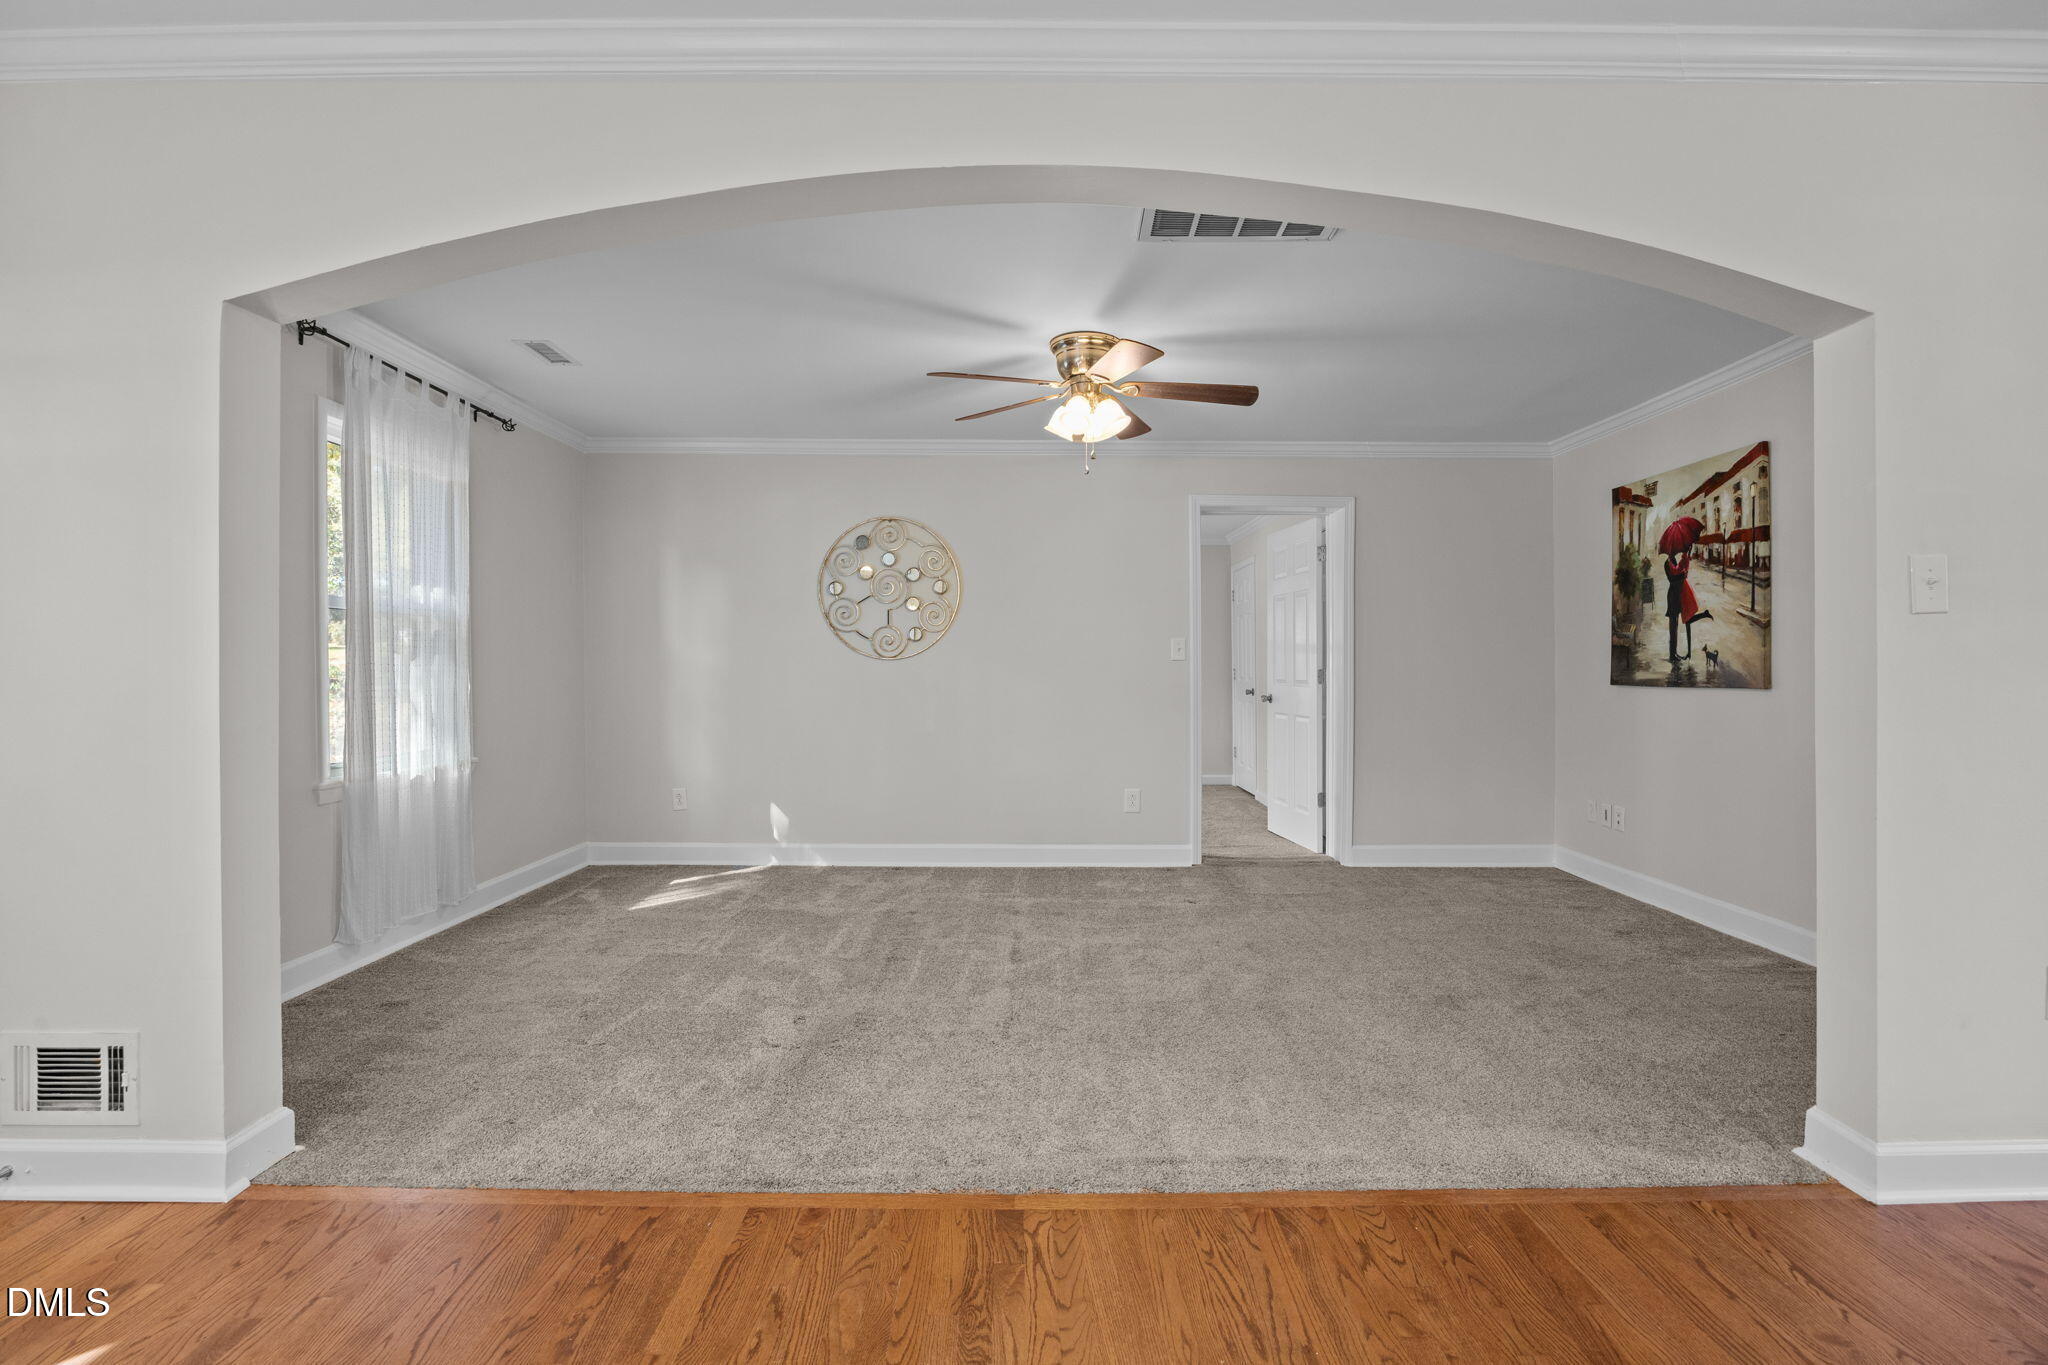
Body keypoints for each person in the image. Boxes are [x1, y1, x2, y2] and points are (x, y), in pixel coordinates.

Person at [1664, 551, 1715, 661]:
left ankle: (1674, 653)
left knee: (1677, 626)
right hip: (1673, 598)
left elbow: (1678, 573)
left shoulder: (1673, 561)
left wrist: (1683, 573)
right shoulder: (1667, 563)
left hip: (1678, 598)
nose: (1674, 552)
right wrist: (1683, 574)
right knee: (1673, 628)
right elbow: (1672, 580)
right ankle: (1672, 655)